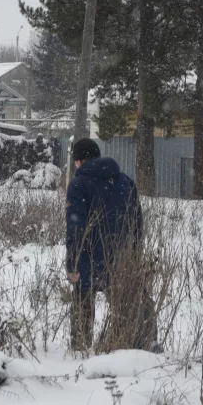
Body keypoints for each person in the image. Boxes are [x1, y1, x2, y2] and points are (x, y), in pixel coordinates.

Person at [64, 138, 159, 353]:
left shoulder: (78, 184)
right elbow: (137, 224)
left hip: (88, 257)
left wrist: (72, 264)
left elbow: (75, 228)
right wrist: (133, 256)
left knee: (82, 300)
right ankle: (144, 343)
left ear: (79, 160)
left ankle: (80, 350)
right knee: (132, 301)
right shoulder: (125, 182)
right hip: (121, 258)